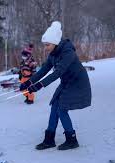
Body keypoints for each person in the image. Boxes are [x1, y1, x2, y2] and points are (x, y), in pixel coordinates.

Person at [19, 21, 92, 150]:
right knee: (55, 106)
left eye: (47, 45)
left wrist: (39, 85)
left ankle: (72, 140)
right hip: (66, 82)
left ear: (55, 42)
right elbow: (44, 69)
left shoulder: (67, 52)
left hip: (77, 83)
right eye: (45, 45)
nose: (45, 48)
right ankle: (49, 140)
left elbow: (58, 72)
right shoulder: (53, 53)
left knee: (62, 109)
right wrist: (28, 82)